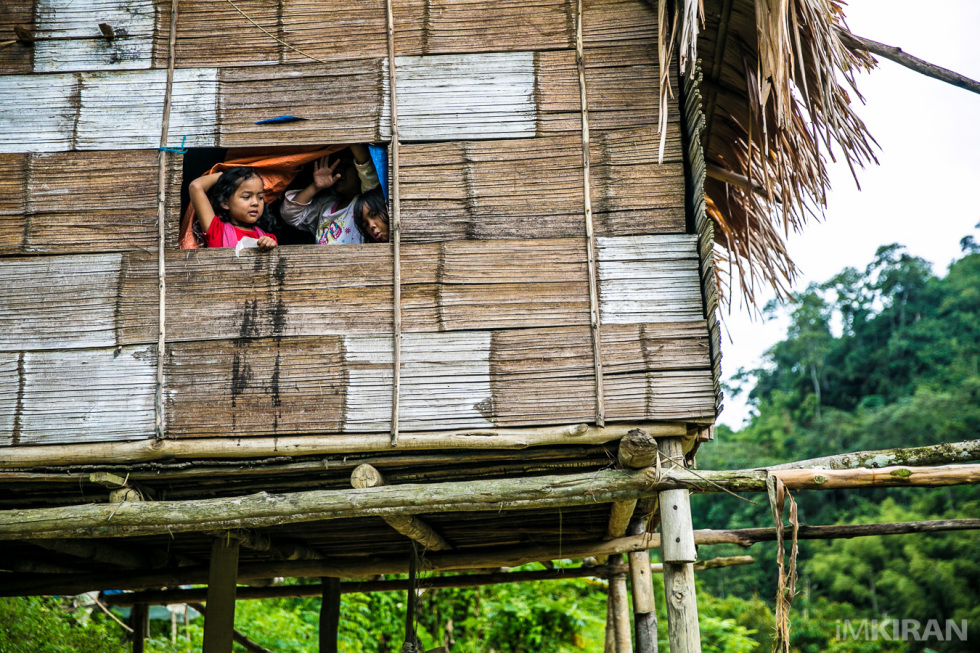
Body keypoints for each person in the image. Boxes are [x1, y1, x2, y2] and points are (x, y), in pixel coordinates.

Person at [280, 144, 381, 245]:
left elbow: (366, 166)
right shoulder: (325, 205)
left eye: (346, 166)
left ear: (358, 170)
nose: (339, 172)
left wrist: (349, 135)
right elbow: (290, 214)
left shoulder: (364, 203)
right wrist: (315, 187)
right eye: (335, 167)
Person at [189, 167, 278, 250]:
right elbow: (196, 186)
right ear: (225, 203)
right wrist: (223, 175)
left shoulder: (269, 239)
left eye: (260, 197)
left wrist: (270, 246)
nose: (255, 203)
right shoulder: (216, 230)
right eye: (246, 197)